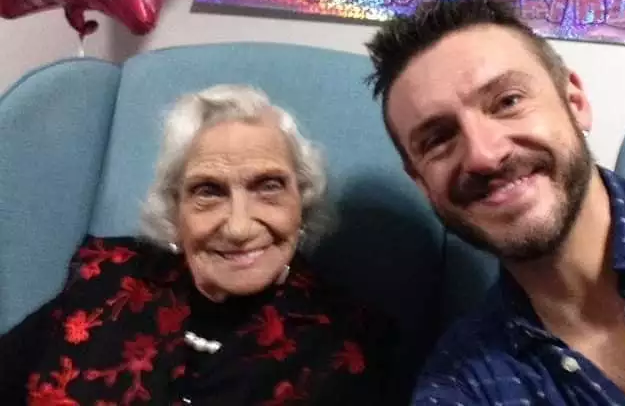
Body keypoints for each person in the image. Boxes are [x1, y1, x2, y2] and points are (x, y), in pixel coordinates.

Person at [364, 0, 625, 405]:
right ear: (421, 183)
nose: (484, 155)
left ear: (575, 102)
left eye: (508, 101)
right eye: (438, 139)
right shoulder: (462, 387)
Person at [0, 84, 401, 405]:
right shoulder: (106, 278)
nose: (239, 227)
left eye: (269, 186)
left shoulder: (353, 346)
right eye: (208, 191)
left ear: (303, 199)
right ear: (175, 208)